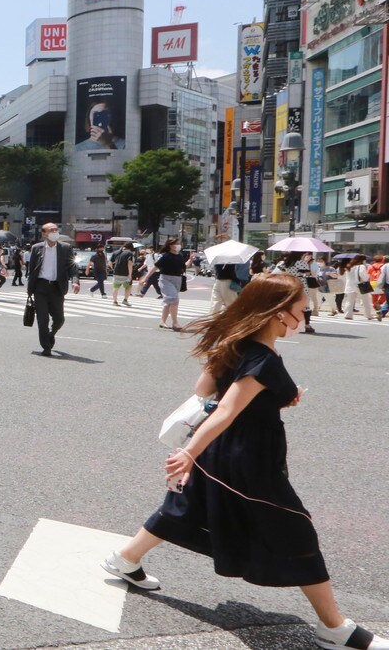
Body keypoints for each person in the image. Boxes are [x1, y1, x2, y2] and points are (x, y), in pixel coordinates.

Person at [101, 275, 389, 650]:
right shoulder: (263, 359)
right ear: (279, 312)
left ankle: (124, 559)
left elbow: (204, 391)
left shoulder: (237, 344)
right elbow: (225, 410)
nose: (306, 315)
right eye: (302, 308)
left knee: (186, 507)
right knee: (297, 532)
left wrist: (273, 398)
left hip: (219, 452)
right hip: (246, 459)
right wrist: (188, 453)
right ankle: (335, 628)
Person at [26, 223, 80, 356]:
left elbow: (72, 267)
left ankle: (51, 333)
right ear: (44, 234)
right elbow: (31, 269)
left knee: (59, 319)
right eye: (51, 230)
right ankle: (46, 346)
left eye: (56, 230)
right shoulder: (36, 248)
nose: (55, 232)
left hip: (57, 287)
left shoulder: (65, 248)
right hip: (40, 287)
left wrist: (75, 281)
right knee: (42, 319)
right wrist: (30, 288)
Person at [151, 237, 187, 331]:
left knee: (169, 301)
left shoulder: (180, 255)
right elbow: (155, 267)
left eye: (179, 243)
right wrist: (146, 278)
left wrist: (190, 260)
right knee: (174, 299)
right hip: (165, 279)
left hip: (177, 279)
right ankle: (175, 323)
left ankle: (162, 321)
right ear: (170, 245)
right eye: (177, 243)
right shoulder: (165, 255)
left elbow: (183, 267)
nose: (179, 245)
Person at [286, 252, 318, 333]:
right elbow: (306, 273)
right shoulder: (301, 262)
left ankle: (289, 323)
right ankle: (307, 324)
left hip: (290, 282)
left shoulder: (286, 262)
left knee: (292, 303)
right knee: (305, 304)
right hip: (301, 283)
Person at [344, 254, 374, 320]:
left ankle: (348, 315)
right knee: (365, 301)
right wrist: (368, 277)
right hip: (360, 286)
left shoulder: (349, 266)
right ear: (362, 260)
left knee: (349, 301)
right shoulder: (361, 266)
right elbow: (364, 276)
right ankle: (368, 315)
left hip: (349, 286)